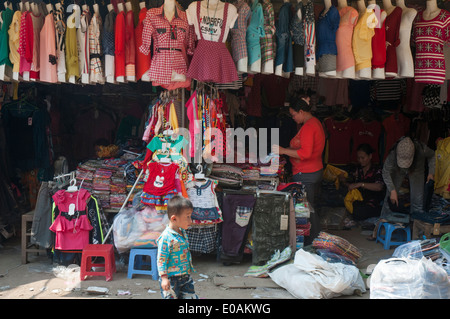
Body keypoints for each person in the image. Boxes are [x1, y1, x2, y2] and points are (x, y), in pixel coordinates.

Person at [272, 94, 326, 243]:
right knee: (309, 207)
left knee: (307, 209)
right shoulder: (314, 123)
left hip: (307, 172)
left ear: (301, 112)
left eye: (294, 114)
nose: (293, 118)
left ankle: (314, 240)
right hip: (312, 170)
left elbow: (305, 153)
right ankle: (314, 239)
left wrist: (283, 150)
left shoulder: (309, 127)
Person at [369, 136, 435, 239]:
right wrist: (392, 190)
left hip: (417, 169)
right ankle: (380, 229)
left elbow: (432, 156)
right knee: (389, 198)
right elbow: (385, 172)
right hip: (397, 170)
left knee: (417, 200)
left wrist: (431, 172)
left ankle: (417, 232)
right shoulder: (393, 154)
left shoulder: (422, 150)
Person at [157, 196, 198, 299]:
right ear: (174, 218)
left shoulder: (182, 232)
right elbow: (161, 260)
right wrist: (164, 278)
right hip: (171, 280)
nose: (190, 220)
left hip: (185, 277)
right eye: (187, 217)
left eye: (190, 216)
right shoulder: (166, 238)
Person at [342, 143, 385, 221]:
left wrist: (361, 184)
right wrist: (344, 182)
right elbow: (353, 185)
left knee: (360, 212)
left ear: (370, 156)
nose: (360, 160)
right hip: (361, 199)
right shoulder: (358, 169)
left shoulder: (377, 170)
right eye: (358, 158)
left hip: (373, 200)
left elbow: (379, 186)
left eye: (363, 158)